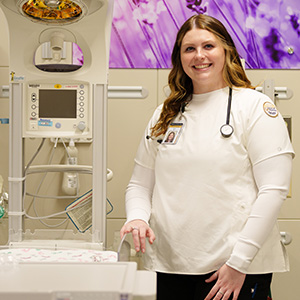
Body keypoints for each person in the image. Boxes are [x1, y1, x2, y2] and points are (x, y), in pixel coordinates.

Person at [120, 14, 294, 300]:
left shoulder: (254, 107)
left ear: (227, 50)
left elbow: (273, 191)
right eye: (189, 49)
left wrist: (239, 263)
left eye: (208, 46)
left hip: (233, 269)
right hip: (171, 266)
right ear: (180, 58)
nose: (199, 56)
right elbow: (139, 184)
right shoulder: (166, 113)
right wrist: (138, 218)